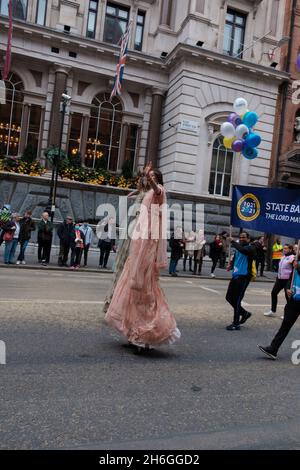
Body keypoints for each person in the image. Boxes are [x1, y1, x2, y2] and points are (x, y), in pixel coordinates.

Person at [105, 163, 181, 354]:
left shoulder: (159, 192)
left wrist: (151, 177)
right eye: (150, 177)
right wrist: (144, 176)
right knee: (131, 287)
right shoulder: (147, 192)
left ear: (159, 180)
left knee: (143, 289)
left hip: (148, 244)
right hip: (139, 241)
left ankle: (146, 338)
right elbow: (144, 189)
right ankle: (133, 334)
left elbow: (156, 188)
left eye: (154, 177)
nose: (150, 179)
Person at [102, 175, 149, 314]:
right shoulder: (142, 193)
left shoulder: (148, 194)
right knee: (123, 263)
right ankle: (113, 302)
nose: (143, 181)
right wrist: (137, 191)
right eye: (143, 179)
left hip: (138, 226)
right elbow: (129, 195)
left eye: (145, 180)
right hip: (134, 225)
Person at [258, 258, 300, 360]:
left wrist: (298, 267)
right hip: (294, 300)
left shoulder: (297, 265)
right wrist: (288, 290)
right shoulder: (296, 263)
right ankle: (273, 349)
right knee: (285, 325)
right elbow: (290, 280)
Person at [225, 232, 256, 330]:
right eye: (240, 237)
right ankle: (245, 313)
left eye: (244, 237)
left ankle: (236, 323)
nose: (242, 239)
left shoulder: (250, 248)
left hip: (243, 277)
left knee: (237, 300)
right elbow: (236, 256)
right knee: (229, 297)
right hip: (235, 275)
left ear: (248, 239)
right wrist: (231, 264)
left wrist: (233, 241)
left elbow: (242, 250)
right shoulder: (238, 247)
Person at [264, 244, 295, 317]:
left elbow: (294, 269)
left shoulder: (292, 257)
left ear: (290, 249)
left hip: (287, 280)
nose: (284, 250)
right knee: (273, 293)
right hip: (279, 279)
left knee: (288, 297)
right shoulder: (283, 257)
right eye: (284, 248)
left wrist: (294, 261)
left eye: (286, 248)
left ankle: (288, 314)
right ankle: (273, 310)